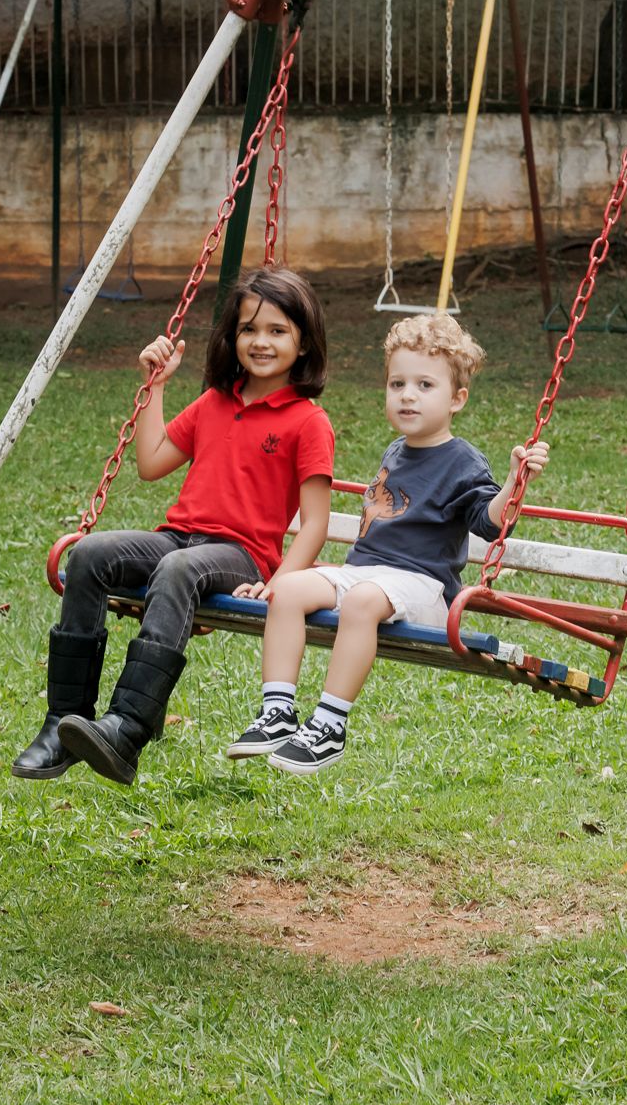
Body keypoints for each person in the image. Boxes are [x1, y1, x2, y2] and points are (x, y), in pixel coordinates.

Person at [11, 267, 334, 786]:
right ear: (231, 337)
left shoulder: (306, 420)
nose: (261, 341)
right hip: (176, 538)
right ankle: (61, 724)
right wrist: (155, 386)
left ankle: (127, 728)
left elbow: (315, 523)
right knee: (90, 553)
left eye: (278, 330)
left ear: (304, 340)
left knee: (179, 568)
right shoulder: (215, 402)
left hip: (240, 554)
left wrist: (279, 582)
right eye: (249, 329)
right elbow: (152, 461)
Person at [228, 312, 548, 776]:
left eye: (424, 385)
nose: (407, 396)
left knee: (360, 601)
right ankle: (278, 712)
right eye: (397, 384)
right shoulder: (396, 450)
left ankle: (329, 726)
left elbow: (487, 522)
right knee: (288, 589)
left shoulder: (462, 460)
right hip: (368, 574)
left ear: (457, 399)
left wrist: (514, 485)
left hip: (423, 586)